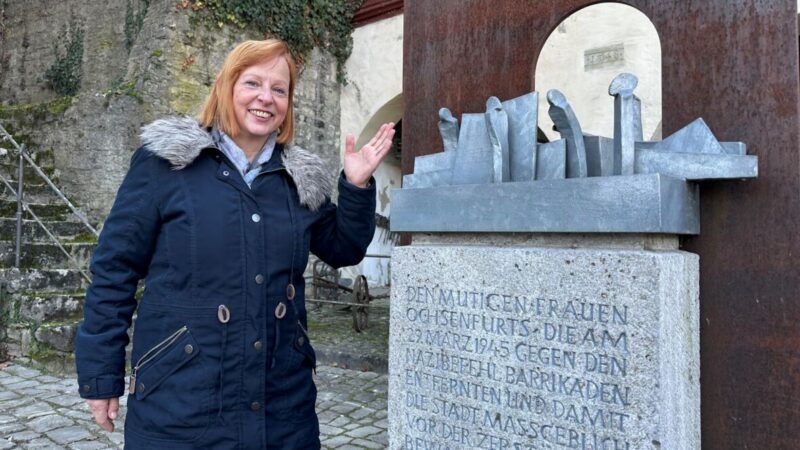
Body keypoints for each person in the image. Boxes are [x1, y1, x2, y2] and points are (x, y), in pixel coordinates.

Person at [74, 39, 394, 449]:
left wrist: (356, 184)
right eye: (253, 83)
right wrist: (101, 376)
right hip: (181, 403)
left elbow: (344, 250)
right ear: (226, 87)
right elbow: (114, 270)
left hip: (283, 406)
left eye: (279, 90)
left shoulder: (299, 178)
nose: (266, 98)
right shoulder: (165, 164)